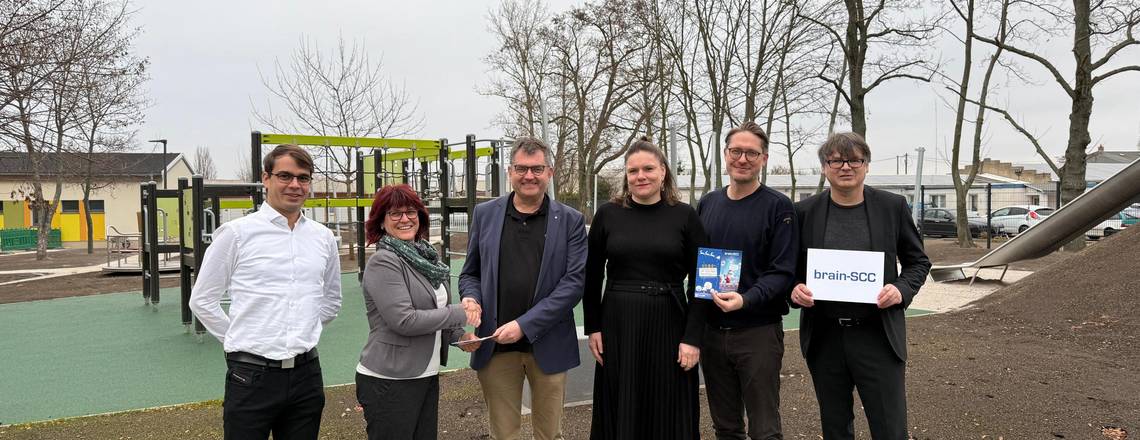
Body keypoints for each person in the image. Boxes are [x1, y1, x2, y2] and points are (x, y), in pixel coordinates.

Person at [189, 144, 342, 440]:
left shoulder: (323, 238)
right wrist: (240, 338)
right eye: (285, 176)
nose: (295, 185)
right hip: (250, 376)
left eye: (303, 177)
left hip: (306, 375)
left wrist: (302, 328)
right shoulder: (237, 234)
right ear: (266, 178)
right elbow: (202, 299)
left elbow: (331, 300)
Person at [789, 132, 931, 439]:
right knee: (835, 427)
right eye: (836, 160)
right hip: (825, 336)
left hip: (877, 334)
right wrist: (795, 287)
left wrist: (901, 290)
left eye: (854, 159)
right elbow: (789, 269)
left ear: (866, 165)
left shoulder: (892, 207)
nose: (845, 167)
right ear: (824, 168)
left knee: (890, 427)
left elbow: (918, 262)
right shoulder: (804, 212)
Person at [459, 136, 587, 440]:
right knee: (503, 434)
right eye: (521, 168)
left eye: (537, 169)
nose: (529, 175)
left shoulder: (571, 221)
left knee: (549, 434)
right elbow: (470, 273)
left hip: (550, 343)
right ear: (510, 171)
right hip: (496, 345)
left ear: (550, 173)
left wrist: (524, 325)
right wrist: (470, 297)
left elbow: (573, 285)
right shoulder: (485, 214)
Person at [584, 138, 710, 439]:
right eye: (633, 171)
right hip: (619, 324)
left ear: (663, 172)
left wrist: (693, 338)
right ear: (626, 177)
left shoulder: (685, 215)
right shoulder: (607, 214)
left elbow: (705, 281)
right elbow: (590, 276)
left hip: (670, 321)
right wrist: (594, 328)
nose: (640, 176)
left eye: (648, 169)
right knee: (621, 400)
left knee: (668, 404)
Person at [355, 184, 481, 440]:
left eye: (411, 212)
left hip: (424, 374)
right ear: (381, 222)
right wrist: (461, 312)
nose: (405, 219)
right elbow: (405, 320)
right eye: (395, 214)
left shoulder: (425, 257)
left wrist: (459, 336)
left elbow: (434, 311)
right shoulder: (384, 261)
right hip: (390, 379)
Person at [697, 122, 798, 440]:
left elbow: (782, 271)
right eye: (736, 151)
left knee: (764, 429)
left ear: (764, 158)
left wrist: (746, 298)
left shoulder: (778, 206)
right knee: (725, 427)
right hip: (712, 333)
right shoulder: (708, 204)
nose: (743, 158)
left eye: (751, 153)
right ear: (725, 155)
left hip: (758, 333)